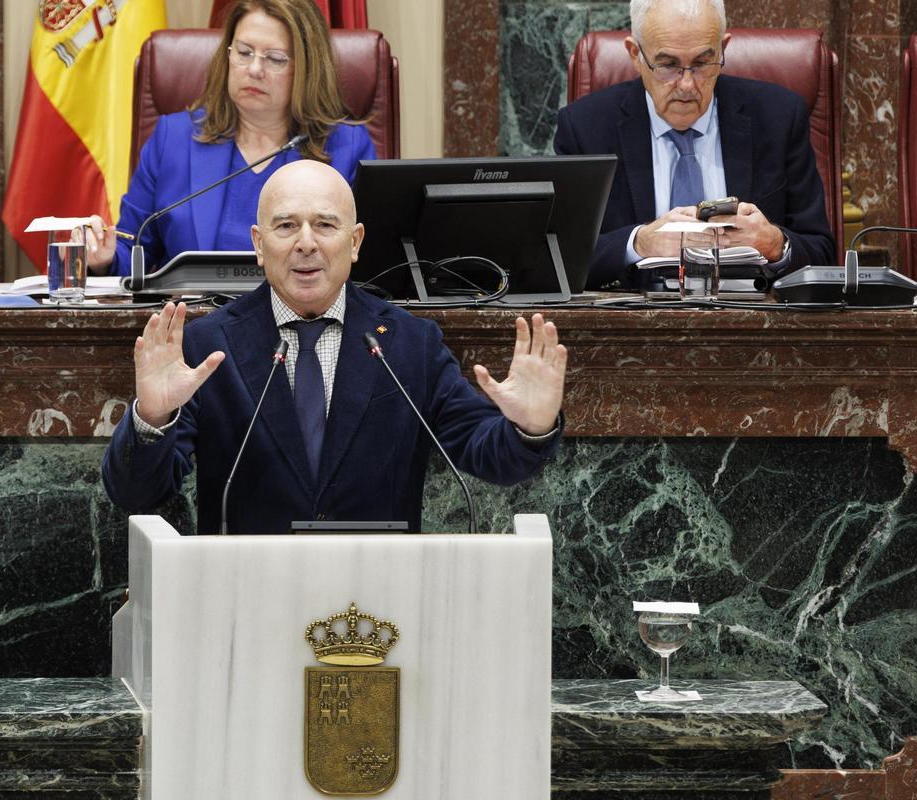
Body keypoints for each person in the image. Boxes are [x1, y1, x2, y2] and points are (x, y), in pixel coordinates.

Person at [101, 160, 568, 534]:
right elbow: (136, 493)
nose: (306, 244)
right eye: (286, 227)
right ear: (259, 246)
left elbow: (490, 456)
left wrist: (530, 426)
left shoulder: (409, 344)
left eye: (325, 225)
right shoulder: (208, 345)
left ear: (356, 241)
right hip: (245, 602)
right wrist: (152, 420)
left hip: (378, 613)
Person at [554, 0, 835, 289]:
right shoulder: (585, 128)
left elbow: (823, 254)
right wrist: (637, 243)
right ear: (635, 54)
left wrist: (776, 244)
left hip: (749, 323)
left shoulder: (778, 117)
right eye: (668, 65)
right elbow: (558, 259)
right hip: (634, 325)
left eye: (702, 63)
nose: (687, 85)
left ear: (723, 49)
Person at [85, 0, 376, 277]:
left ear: (307, 69)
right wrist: (105, 257)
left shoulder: (346, 148)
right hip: (195, 322)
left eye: (274, 59)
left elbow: (370, 264)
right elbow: (133, 250)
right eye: (244, 52)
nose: (254, 70)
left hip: (304, 322)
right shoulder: (172, 140)